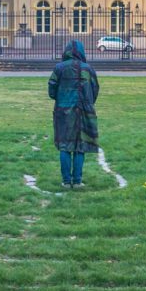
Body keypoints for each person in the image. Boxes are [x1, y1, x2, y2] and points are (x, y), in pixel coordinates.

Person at [48, 39, 100, 188]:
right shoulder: (88, 69)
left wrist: (60, 98)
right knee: (80, 145)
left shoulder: (59, 68)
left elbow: (51, 89)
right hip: (84, 111)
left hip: (63, 111)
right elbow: (95, 89)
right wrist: (88, 102)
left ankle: (66, 181)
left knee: (65, 145)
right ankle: (77, 181)